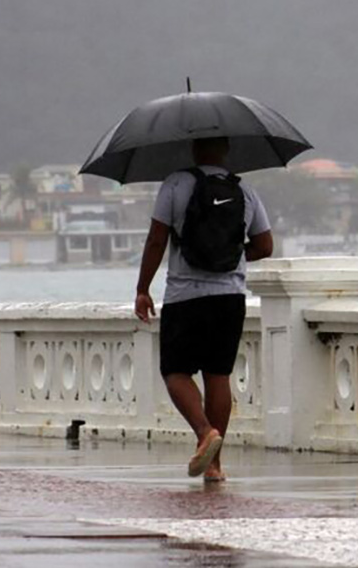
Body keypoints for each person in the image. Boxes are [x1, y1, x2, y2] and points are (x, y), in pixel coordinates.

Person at [134, 137, 273, 482]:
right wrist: (233, 255)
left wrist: (142, 288)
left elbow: (156, 238)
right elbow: (265, 245)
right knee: (218, 375)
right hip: (229, 296)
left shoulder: (176, 183)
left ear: (194, 149)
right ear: (227, 149)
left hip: (185, 295)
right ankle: (214, 466)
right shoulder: (246, 190)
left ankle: (203, 433)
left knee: (175, 372)